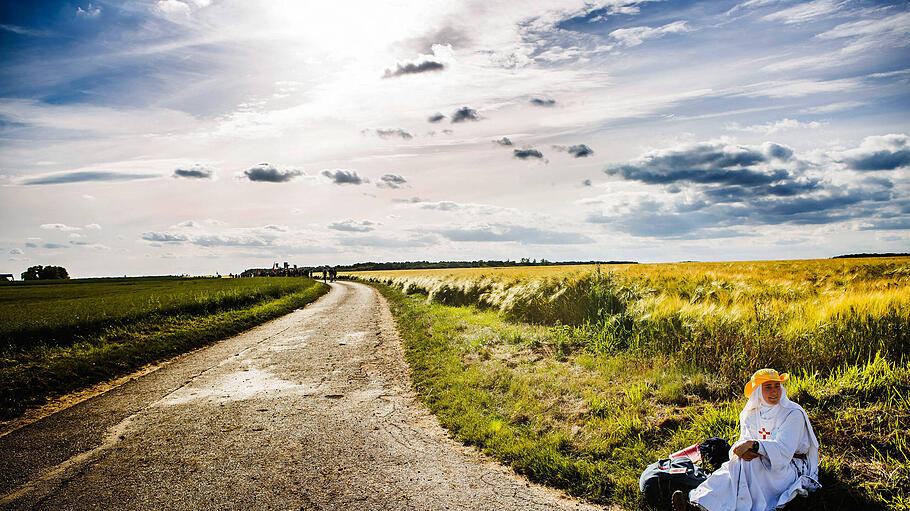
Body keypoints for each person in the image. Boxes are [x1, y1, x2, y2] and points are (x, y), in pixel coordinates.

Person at [672, 368, 820, 511]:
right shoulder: (751, 414)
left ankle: (717, 506)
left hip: (790, 465)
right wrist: (741, 450)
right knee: (735, 465)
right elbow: (744, 441)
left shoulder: (792, 414)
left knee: (748, 468)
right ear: (758, 392)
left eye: (777, 386)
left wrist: (755, 446)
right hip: (760, 459)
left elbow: (784, 451)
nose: (774, 391)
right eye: (768, 387)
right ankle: (699, 503)